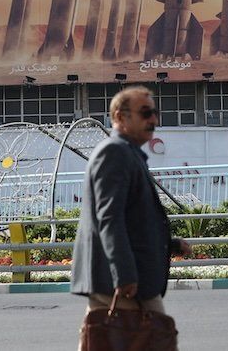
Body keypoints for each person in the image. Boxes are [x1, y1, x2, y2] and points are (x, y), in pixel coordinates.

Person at [71, 86, 191, 327]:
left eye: (155, 113)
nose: (154, 120)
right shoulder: (115, 153)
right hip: (124, 283)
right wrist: (124, 275)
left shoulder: (128, 153)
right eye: (145, 113)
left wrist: (170, 244)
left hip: (129, 279)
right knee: (153, 339)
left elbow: (133, 219)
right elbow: (110, 218)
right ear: (119, 117)